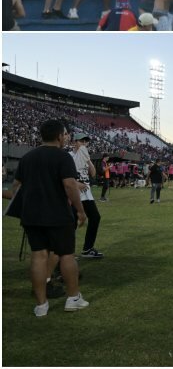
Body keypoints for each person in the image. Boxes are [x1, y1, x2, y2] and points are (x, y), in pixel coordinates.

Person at [5, 119, 89, 317]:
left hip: (32, 216)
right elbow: (70, 185)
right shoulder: (63, 157)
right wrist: (80, 211)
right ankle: (73, 298)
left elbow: (16, 188)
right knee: (67, 254)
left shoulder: (27, 157)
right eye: (65, 134)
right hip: (58, 215)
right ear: (60, 136)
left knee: (38, 256)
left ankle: (41, 305)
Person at [69, 133, 103, 258]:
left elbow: (93, 173)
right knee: (72, 222)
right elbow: (65, 176)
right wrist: (76, 184)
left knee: (95, 217)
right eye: (81, 141)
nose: (83, 144)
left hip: (86, 193)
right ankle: (68, 252)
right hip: (74, 192)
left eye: (85, 142)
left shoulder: (85, 155)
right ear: (74, 142)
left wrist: (88, 159)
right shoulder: (69, 156)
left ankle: (87, 248)